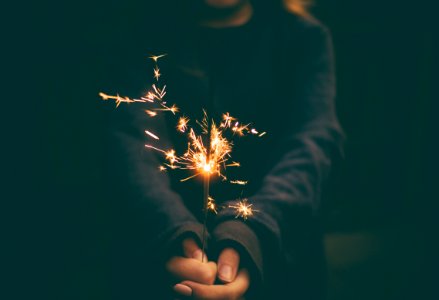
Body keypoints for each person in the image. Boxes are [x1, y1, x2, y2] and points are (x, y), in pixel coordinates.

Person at [106, 0, 344, 299]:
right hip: (162, 268)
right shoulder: (139, 37)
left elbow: (313, 145)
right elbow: (133, 143)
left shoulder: (303, 38)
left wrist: (250, 231)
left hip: (282, 264)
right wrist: (175, 233)